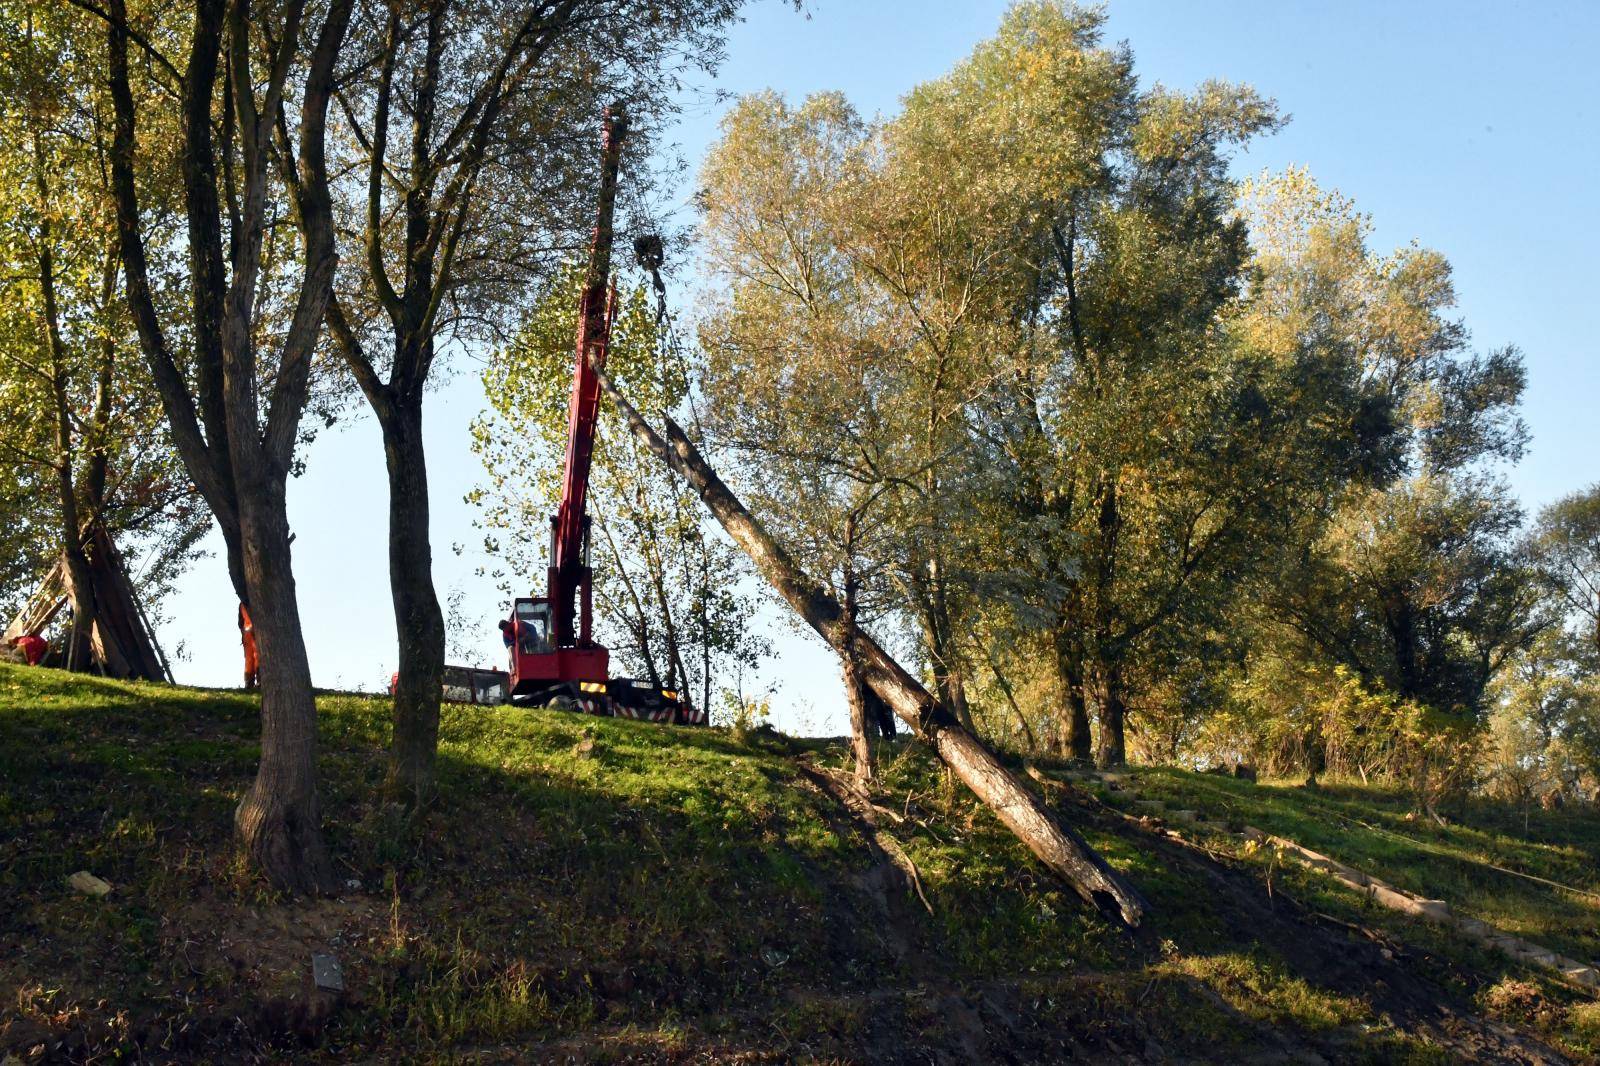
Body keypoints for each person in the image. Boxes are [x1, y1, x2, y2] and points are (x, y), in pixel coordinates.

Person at [238, 603, 259, 691]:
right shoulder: (256, 600)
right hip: (253, 632)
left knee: (249, 659)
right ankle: (257, 681)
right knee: (257, 657)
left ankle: (249, 683)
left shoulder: (242, 604)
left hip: (247, 632)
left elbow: (240, 622)